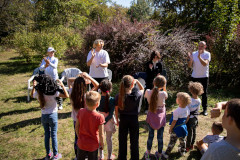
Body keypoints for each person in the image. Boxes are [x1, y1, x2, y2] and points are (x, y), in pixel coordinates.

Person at [31, 75, 69, 160]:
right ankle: (55, 155)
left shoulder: (39, 93)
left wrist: (34, 86)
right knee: (54, 135)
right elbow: (66, 95)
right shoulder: (54, 92)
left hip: (44, 116)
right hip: (53, 115)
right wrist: (62, 85)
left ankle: (48, 154)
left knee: (47, 135)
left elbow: (32, 95)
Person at [68, 72, 99, 160]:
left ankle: (78, 155)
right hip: (85, 120)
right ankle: (86, 155)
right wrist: (87, 77)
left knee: (78, 137)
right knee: (87, 137)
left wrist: (79, 78)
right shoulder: (87, 96)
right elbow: (97, 85)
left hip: (75, 120)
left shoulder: (71, 93)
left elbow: (69, 80)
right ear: (84, 86)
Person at [115, 75, 144, 160]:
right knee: (134, 141)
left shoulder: (118, 96)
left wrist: (117, 119)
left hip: (123, 119)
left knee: (122, 140)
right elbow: (142, 89)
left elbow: (116, 110)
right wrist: (137, 81)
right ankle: (135, 158)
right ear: (132, 85)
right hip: (133, 120)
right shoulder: (137, 94)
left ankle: (122, 157)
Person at [75, 91, 105, 160]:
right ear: (97, 104)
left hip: (81, 143)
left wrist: (79, 136)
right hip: (93, 145)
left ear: (85, 102)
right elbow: (101, 134)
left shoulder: (81, 111)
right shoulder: (100, 116)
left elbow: (76, 126)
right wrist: (102, 144)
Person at [144, 75, 168, 159]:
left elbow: (146, 97)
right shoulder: (163, 93)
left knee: (150, 136)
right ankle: (160, 154)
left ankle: (147, 153)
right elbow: (166, 96)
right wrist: (164, 88)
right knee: (160, 137)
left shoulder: (148, 92)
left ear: (154, 83)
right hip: (160, 119)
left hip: (151, 118)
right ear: (163, 85)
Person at [162, 92, 191, 159]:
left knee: (172, 142)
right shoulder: (187, 108)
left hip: (176, 129)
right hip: (183, 128)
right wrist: (184, 123)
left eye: (177, 98)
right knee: (183, 141)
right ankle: (182, 151)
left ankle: (166, 154)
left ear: (179, 101)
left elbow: (174, 122)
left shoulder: (176, 111)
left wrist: (170, 129)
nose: (176, 99)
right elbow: (188, 117)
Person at [187, 41, 211, 116]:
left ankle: (204, 109)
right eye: (199, 46)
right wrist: (190, 59)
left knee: (204, 93)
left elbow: (205, 64)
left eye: (202, 46)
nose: (200, 47)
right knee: (193, 92)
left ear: (205, 47)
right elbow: (189, 66)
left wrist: (199, 57)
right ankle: (192, 109)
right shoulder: (194, 54)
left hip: (204, 76)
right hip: (195, 76)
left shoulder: (207, 54)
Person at [97, 80, 116, 160]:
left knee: (100, 139)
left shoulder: (98, 98)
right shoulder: (112, 100)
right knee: (109, 139)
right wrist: (106, 120)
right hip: (109, 122)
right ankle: (109, 156)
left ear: (100, 89)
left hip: (99, 122)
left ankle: (101, 156)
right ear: (110, 89)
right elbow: (111, 114)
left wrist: (102, 122)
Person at [186, 82, 204, 151]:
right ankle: (192, 144)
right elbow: (197, 110)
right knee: (194, 131)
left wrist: (186, 120)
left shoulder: (189, 100)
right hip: (195, 118)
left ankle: (188, 146)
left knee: (189, 133)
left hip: (189, 118)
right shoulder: (199, 100)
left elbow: (187, 111)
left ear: (191, 91)